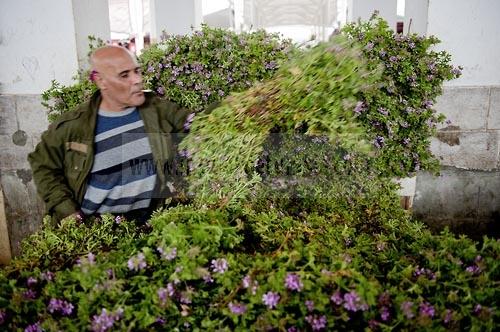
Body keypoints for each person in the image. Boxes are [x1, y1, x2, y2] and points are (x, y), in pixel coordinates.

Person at [28, 45, 194, 223]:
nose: (137, 80)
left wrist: (226, 108)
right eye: (124, 75)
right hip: (97, 230)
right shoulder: (73, 125)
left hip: (148, 224)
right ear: (101, 81)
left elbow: (196, 121)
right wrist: (67, 211)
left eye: (137, 71)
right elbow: (43, 165)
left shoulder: (156, 109)